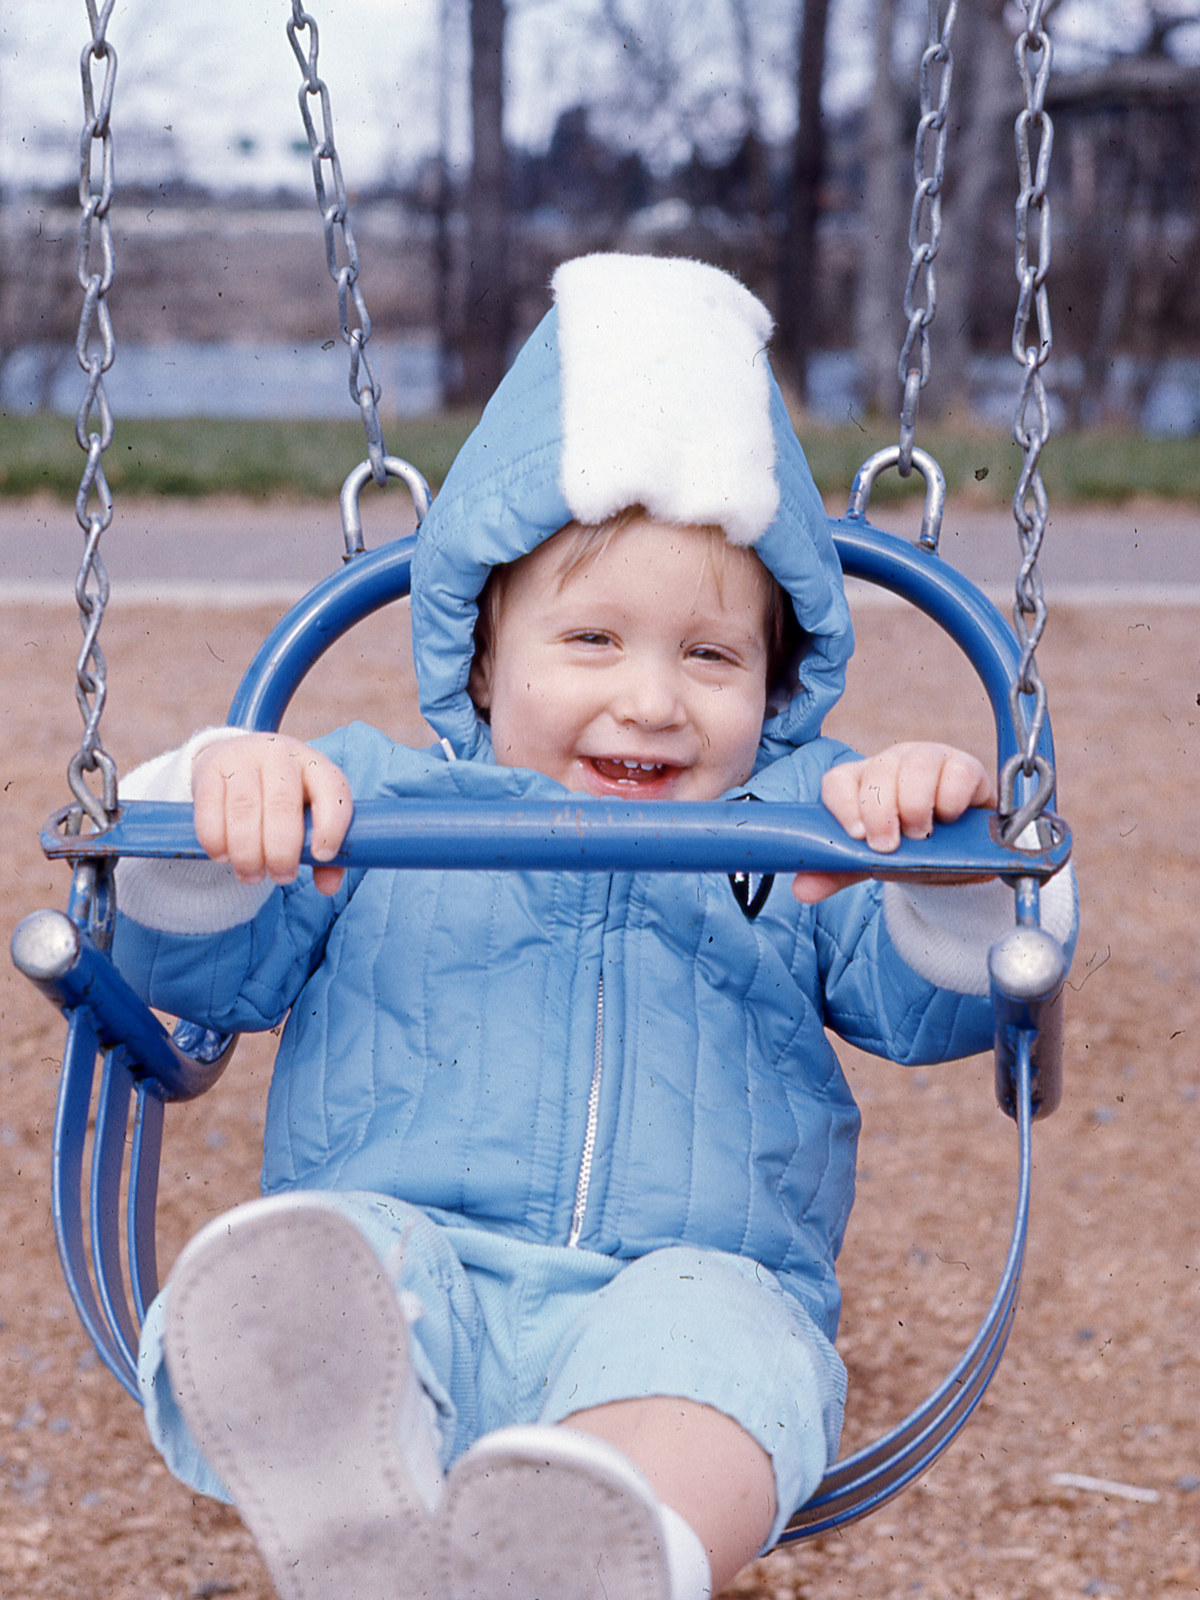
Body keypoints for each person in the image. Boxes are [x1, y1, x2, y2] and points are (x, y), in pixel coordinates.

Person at [112, 254, 1075, 1600]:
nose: (652, 701)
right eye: (592, 641)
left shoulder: (808, 832)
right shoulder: (370, 797)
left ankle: (604, 1548)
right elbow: (186, 964)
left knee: (731, 1346)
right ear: (483, 657)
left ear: (777, 686)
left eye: (711, 656)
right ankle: (350, 1483)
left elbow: (955, 1003)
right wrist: (221, 811)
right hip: (404, 1289)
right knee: (324, 1267)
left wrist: (942, 866)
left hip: (684, 1287)